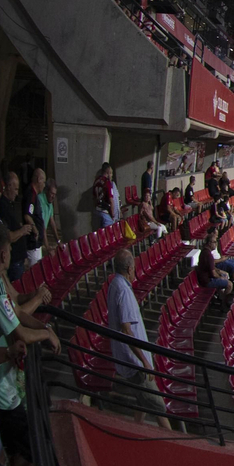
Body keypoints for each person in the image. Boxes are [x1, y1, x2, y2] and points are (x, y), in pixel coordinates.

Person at [0, 230, 62, 466]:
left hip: (8, 381)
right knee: (31, 451)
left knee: (19, 448)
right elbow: (20, 331)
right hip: (2, 392)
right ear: (3, 254)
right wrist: (45, 334)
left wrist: (44, 328)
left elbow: (16, 313)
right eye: (11, 250)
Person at [104, 248, 171, 431]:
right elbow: (126, 330)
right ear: (129, 268)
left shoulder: (115, 285)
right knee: (158, 407)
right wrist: (144, 362)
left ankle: (136, 428)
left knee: (143, 400)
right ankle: (174, 442)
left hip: (134, 359)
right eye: (134, 266)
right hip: (135, 362)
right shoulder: (123, 291)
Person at [0, 173, 36, 283]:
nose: (16, 193)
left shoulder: (11, 204)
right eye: (15, 189)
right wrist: (22, 230)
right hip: (14, 261)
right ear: (9, 186)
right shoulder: (3, 207)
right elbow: (7, 236)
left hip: (18, 260)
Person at [91, 164, 119, 231]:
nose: (111, 175)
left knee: (98, 236)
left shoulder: (96, 181)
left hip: (96, 212)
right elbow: (111, 200)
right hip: (105, 212)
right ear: (107, 172)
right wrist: (113, 215)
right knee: (108, 236)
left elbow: (94, 197)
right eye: (111, 173)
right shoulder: (107, 182)